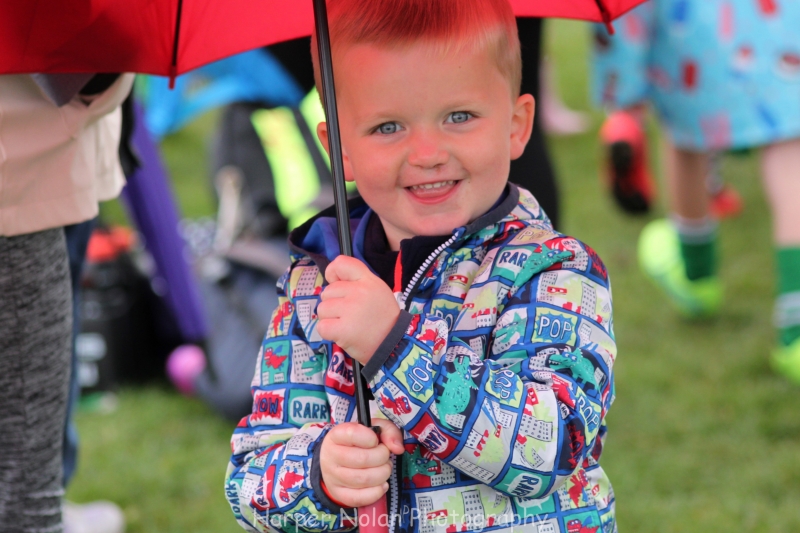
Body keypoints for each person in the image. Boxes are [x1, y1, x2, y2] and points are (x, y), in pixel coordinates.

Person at [224, 2, 617, 533]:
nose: (427, 152)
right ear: (339, 148)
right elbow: (252, 479)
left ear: (516, 125)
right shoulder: (315, 285)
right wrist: (319, 473)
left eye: (459, 117)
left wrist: (393, 348)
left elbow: (553, 449)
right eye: (387, 126)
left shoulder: (553, 271)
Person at [592, 1, 800, 381]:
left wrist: (623, 94)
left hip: (691, 38)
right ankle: (796, 333)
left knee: (687, 138)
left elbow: (622, 10)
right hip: (781, 30)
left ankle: (697, 277)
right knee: (790, 156)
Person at [0, 73, 133, 533]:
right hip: (18, 169)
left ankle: (49, 497)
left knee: (33, 483)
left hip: (57, 143)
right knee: (28, 498)